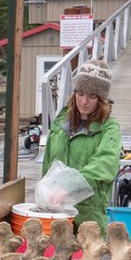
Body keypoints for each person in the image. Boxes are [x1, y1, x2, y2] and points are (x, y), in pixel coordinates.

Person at [42, 59, 122, 231]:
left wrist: (69, 186)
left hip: (88, 222)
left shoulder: (109, 129)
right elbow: (48, 164)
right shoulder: (60, 125)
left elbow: (105, 164)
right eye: (80, 93)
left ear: (101, 99)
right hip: (56, 218)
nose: (84, 101)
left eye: (92, 96)